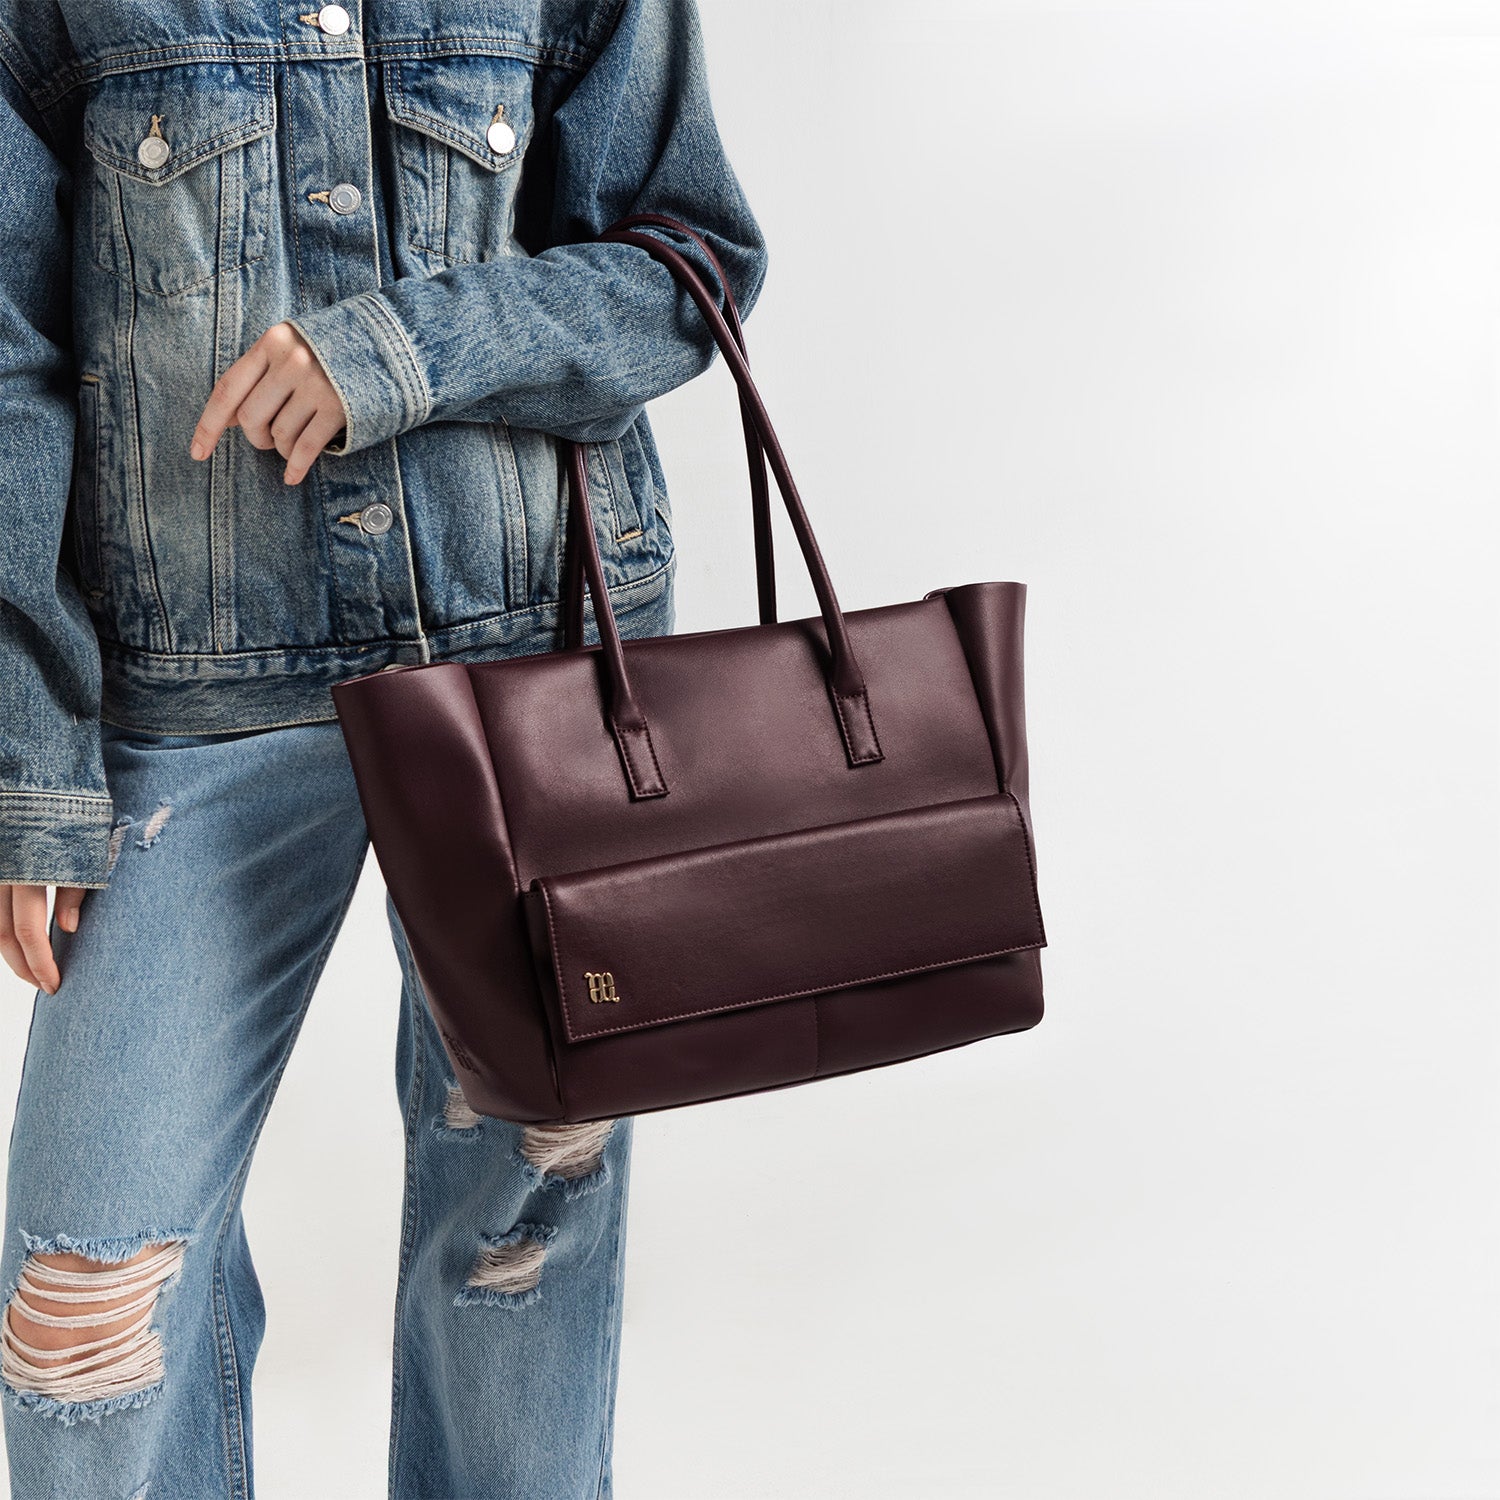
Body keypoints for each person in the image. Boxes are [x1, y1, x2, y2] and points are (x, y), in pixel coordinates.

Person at [0, 0, 767, 1494]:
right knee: (82, 1305)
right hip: (188, 698)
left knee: (521, 1241)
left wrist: (403, 348)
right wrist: (30, 751)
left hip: (530, 667)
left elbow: (694, 262)